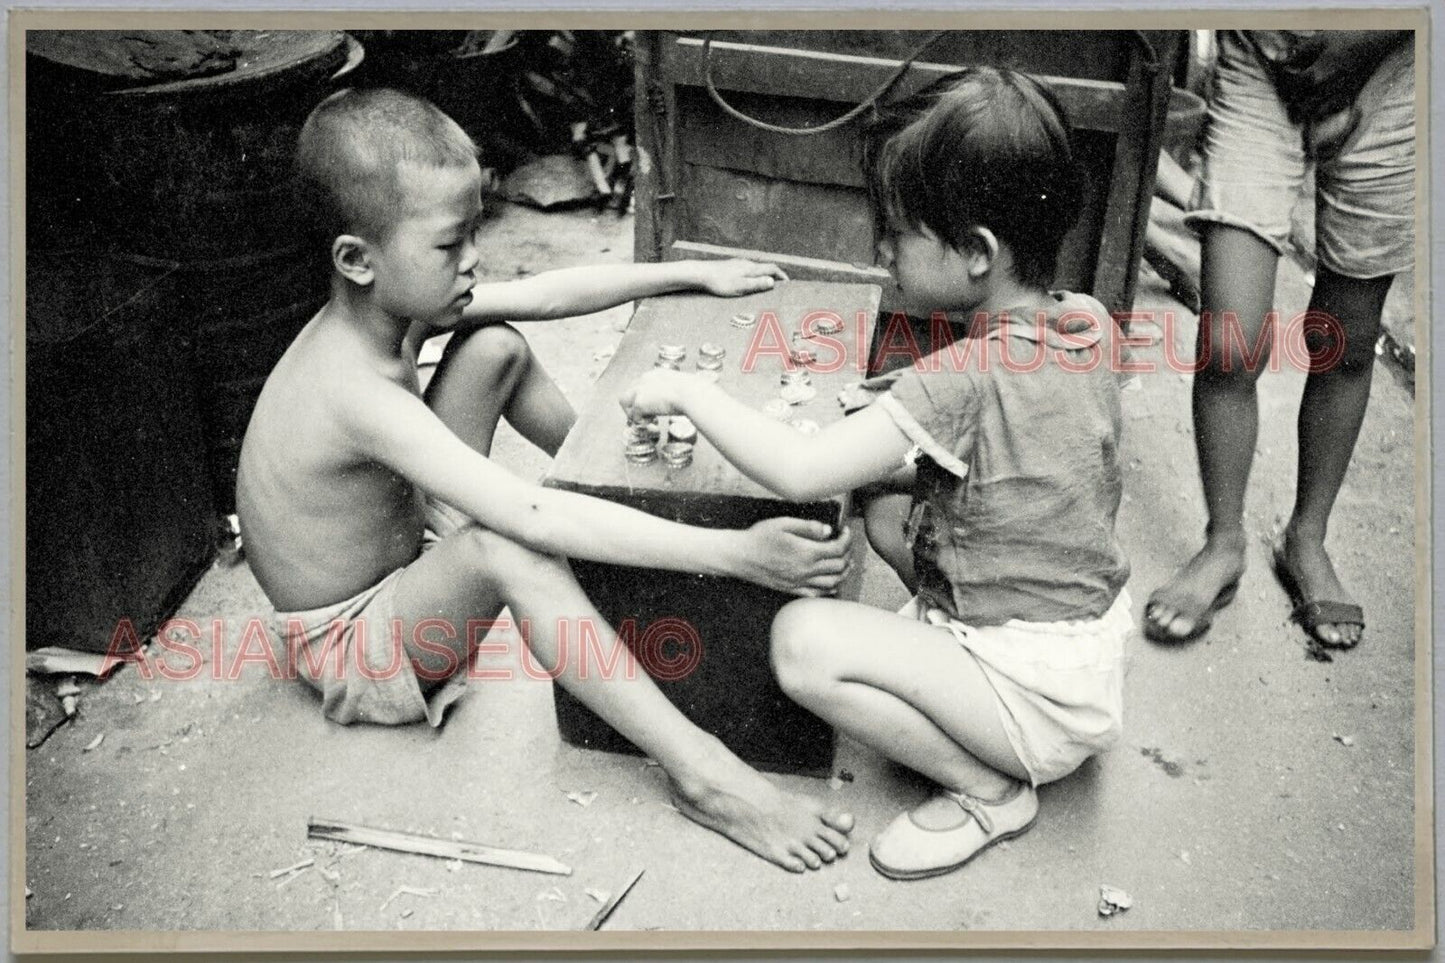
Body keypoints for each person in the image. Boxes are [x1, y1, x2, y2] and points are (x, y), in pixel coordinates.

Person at [235, 87, 856, 873]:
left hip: (404, 545)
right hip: (355, 646)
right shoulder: (348, 385)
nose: (474, 259)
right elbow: (527, 514)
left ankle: (621, 496)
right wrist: (732, 551)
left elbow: (546, 295)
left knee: (494, 344)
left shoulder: (387, 307)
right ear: (357, 259)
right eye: (448, 245)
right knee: (512, 546)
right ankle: (706, 775)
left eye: (475, 234)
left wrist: (685, 276)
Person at [619, 67, 1131, 880]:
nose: (879, 249)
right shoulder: (1086, 320)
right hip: (1082, 647)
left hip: (1033, 696)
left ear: (974, 253)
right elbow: (1037, 425)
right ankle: (981, 706)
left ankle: (989, 789)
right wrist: (909, 412)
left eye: (895, 231)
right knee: (886, 512)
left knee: (801, 642)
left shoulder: (959, 377)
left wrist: (686, 389)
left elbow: (798, 469)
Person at [1144, 30, 1413, 648]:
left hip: (1399, 67)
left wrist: (1361, 45)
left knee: (1345, 340)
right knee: (1230, 340)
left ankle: (1307, 537)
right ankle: (1223, 539)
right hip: (1262, 51)